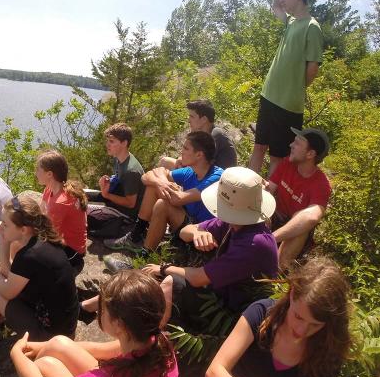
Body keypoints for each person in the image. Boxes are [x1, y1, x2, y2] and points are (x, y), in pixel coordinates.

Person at [0, 269, 178, 377]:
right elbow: (102, 349)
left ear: (119, 325)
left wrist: (16, 353)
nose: (98, 311)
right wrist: (45, 346)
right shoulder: (156, 341)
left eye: (102, 308)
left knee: (44, 367)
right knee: (58, 343)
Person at [95, 167, 278, 326]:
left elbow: (199, 278)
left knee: (171, 282)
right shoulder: (233, 222)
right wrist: (197, 233)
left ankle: (145, 333)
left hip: (231, 314)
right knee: (170, 276)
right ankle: (119, 288)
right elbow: (185, 232)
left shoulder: (255, 243)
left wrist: (164, 269)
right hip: (221, 292)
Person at [183, 257, 351, 377]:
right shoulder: (262, 313)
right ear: (292, 294)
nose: (301, 330)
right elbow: (214, 373)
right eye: (298, 316)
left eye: (315, 324)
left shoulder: (330, 352)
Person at [0, 195, 79, 354]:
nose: (1, 227)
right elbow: (11, 275)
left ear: (24, 229)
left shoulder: (29, 255)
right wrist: (3, 236)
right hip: (63, 326)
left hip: (51, 337)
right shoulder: (42, 240)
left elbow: (6, 290)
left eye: (5, 224)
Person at [105, 131, 222, 261]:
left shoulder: (216, 176)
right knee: (154, 185)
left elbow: (178, 199)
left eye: (185, 148)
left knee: (163, 204)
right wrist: (160, 182)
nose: (181, 151)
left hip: (202, 232)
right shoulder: (191, 171)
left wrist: (161, 184)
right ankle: (137, 234)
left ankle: (144, 258)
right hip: (187, 221)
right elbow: (146, 177)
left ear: (199, 154)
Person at [248, 0, 324, 177]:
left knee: (278, 157)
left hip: (289, 105)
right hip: (268, 94)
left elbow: (313, 67)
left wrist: (298, 86)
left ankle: (266, 202)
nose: (282, 0)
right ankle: (244, 194)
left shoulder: (312, 27)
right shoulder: (291, 22)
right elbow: (275, 8)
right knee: (259, 147)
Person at [265, 128, 331, 269]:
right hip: (277, 217)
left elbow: (312, 217)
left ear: (310, 154)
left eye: (297, 143)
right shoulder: (287, 163)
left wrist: (271, 238)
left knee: (301, 227)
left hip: (294, 232)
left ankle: (273, 274)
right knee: (261, 199)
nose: (291, 145)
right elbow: (269, 189)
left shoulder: (321, 184)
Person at [86, 123, 146, 239]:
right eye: (108, 140)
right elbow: (118, 178)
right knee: (80, 194)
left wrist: (106, 194)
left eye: (112, 141)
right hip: (116, 198)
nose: (107, 144)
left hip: (127, 213)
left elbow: (130, 203)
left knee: (80, 210)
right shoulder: (119, 159)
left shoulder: (131, 171)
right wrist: (109, 182)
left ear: (124, 143)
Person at [36, 150, 88, 273]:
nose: (36, 173)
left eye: (38, 170)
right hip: (60, 240)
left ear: (49, 174)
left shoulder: (60, 202)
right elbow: (41, 213)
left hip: (72, 251)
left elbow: (48, 233)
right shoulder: (50, 189)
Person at [159, 100, 237, 170]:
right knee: (166, 163)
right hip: (207, 175)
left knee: (166, 162)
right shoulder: (203, 136)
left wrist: (183, 161)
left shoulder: (216, 135)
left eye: (192, 116)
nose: (189, 120)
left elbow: (200, 163)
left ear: (204, 119)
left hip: (217, 181)